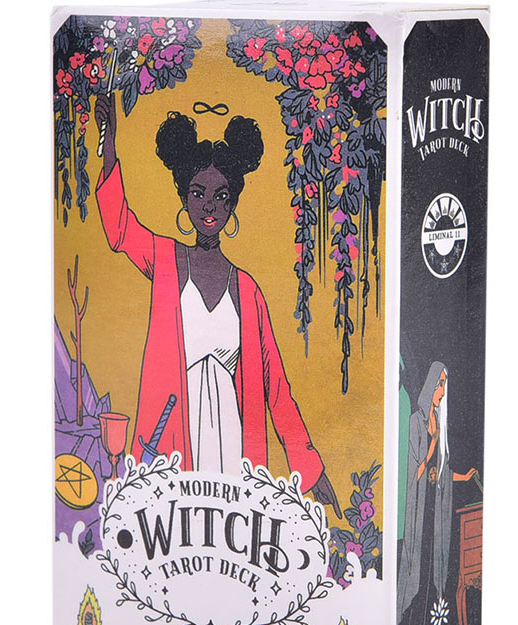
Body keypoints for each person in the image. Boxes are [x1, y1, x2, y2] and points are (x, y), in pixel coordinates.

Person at [93, 94, 341, 517]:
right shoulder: (166, 260)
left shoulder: (248, 290)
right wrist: (109, 144)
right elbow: (119, 228)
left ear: (232, 204)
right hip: (173, 431)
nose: (209, 205)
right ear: (184, 199)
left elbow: (276, 387)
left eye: (221, 195)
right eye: (198, 193)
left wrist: (310, 468)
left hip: (233, 440)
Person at [396, 362, 478, 625]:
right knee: (417, 567)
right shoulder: (416, 422)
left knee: (434, 569)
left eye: (444, 385)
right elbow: (415, 472)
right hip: (420, 509)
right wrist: (433, 444)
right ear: (431, 385)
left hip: (435, 509)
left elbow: (440, 473)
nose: (442, 391)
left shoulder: (439, 423)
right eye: (439, 384)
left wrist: (464, 477)